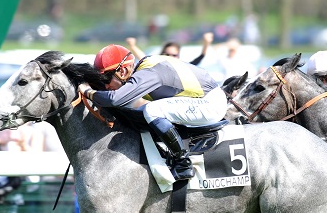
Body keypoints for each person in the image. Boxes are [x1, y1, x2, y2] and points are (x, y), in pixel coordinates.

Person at [77, 44, 227, 180]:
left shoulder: (148, 73)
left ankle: (183, 163)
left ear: (122, 71)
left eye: (106, 79)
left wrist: (88, 92)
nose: (106, 85)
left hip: (210, 103)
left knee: (152, 110)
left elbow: (115, 99)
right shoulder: (144, 68)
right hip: (204, 99)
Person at [126, 32, 214, 66]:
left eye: (174, 55)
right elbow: (144, 59)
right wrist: (133, 46)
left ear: (178, 56)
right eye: (167, 54)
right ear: (162, 54)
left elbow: (200, 58)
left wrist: (206, 43)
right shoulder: (157, 66)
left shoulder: (184, 67)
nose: (170, 57)